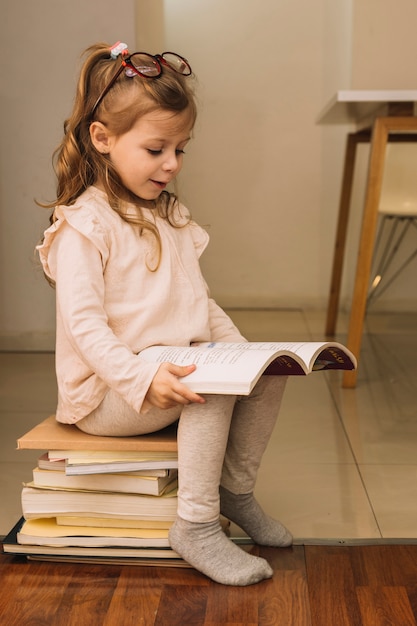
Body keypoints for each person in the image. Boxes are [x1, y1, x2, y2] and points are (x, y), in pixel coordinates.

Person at [37, 41, 292, 586]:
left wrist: (248, 356)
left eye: (181, 150)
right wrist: (140, 376)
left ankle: (233, 492)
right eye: (156, 149)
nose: (172, 164)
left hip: (164, 368)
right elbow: (85, 329)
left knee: (262, 375)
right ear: (103, 139)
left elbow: (200, 300)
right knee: (210, 379)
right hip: (107, 392)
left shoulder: (169, 214)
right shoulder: (84, 226)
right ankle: (196, 525)